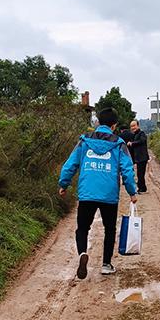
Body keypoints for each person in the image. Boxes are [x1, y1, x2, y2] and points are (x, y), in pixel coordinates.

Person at [58, 107, 138, 279]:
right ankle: (106, 265)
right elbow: (127, 170)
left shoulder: (84, 141)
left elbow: (70, 164)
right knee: (109, 229)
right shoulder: (119, 143)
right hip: (109, 195)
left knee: (83, 228)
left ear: (98, 122)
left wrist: (64, 183)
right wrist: (132, 192)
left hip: (87, 192)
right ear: (114, 125)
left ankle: (82, 254)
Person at [126, 119, 149, 192]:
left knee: (140, 173)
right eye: (131, 126)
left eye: (134, 125)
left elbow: (142, 141)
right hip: (138, 158)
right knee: (139, 173)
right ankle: (142, 187)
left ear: (138, 126)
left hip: (142, 157)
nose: (133, 127)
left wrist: (132, 143)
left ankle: (142, 188)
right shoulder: (134, 135)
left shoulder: (141, 133)